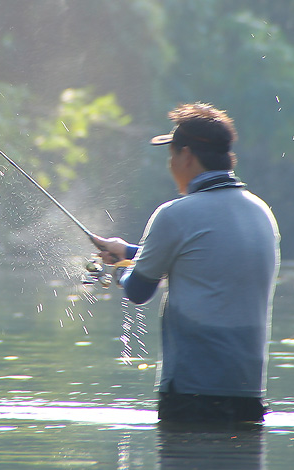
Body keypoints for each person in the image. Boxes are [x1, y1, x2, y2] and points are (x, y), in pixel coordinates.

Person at [92, 103, 280, 426]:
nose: (170, 165)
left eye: (172, 155)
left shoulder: (174, 214)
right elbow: (202, 259)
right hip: (248, 395)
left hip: (191, 396)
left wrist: (120, 267)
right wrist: (129, 250)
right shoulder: (261, 213)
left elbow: (138, 290)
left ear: (187, 156)